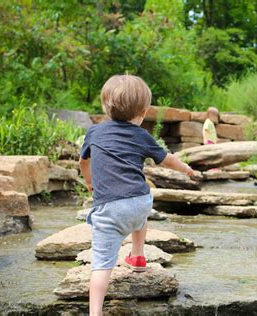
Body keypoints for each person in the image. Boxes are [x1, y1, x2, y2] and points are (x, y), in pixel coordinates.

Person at [79, 75, 194, 316]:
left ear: (104, 106)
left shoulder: (95, 132)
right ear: (142, 113)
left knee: (101, 264)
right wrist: (186, 169)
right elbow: (167, 159)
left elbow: (83, 161)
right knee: (139, 212)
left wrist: (89, 181)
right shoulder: (142, 135)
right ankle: (138, 257)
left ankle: (94, 313)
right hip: (141, 203)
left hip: (109, 209)